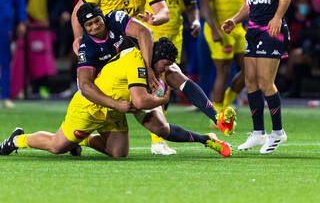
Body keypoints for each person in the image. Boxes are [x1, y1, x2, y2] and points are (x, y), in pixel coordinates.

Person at [71, 0, 235, 155]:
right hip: (106, 55)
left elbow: (163, 11)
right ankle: (78, 139)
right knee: (75, 133)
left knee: (167, 94)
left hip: (133, 46)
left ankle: (215, 123)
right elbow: (78, 12)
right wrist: (78, 38)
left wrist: (156, 19)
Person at [0, 38, 233, 158]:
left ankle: (207, 139)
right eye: (164, 65)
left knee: (122, 151)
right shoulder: (137, 62)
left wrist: (215, 115)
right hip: (93, 105)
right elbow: (141, 102)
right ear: (154, 57)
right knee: (56, 146)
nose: (166, 70)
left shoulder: (157, 63)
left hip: (119, 108)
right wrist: (162, 101)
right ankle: (17, 140)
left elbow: (188, 86)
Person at [221, 0, 294, 154]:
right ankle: (258, 133)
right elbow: (249, 3)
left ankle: (278, 132)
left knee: (265, 83)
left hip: (271, 31)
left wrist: (277, 17)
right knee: (250, 82)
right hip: (252, 31)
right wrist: (234, 19)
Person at [145, 0, 201, 153]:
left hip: (173, 43)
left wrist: (195, 22)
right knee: (155, 89)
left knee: (164, 90)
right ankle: (157, 140)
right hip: (151, 40)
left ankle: (158, 139)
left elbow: (191, 6)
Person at [200, 0, 245, 114]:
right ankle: (216, 114)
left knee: (250, 71)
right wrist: (214, 29)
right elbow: (205, 5)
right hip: (219, 29)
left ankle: (223, 104)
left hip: (238, 28)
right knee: (224, 71)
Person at [17, 0, 63, 98]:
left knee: (44, 57)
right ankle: (26, 88)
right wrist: (22, 19)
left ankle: (43, 88)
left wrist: (52, 19)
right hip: (28, 24)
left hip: (45, 25)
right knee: (26, 57)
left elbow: (59, 0)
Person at [59, 0, 100, 97]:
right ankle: (73, 85)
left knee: (93, 55)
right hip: (75, 22)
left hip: (93, 22)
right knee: (75, 54)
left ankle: (93, 85)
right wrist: (64, 12)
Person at [0, 0, 27, 108]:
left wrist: (22, 21)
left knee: (4, 60)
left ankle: (5, 96)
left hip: (4, 26)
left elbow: (20, 1)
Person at [285, 0, 320, 97]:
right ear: (296, 4)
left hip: (309, 52)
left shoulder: (314, 19)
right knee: (295, 56)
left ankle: (287, 84)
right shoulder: (289, 18)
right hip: (288, 50)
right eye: (302, 3)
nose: (304, 5)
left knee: (297, 55)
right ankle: (290, 88)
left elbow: (315, 38)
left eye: (306, 3)